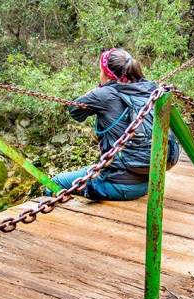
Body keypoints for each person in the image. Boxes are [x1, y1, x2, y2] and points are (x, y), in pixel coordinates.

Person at [51, 48, 180, 201]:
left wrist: (99, 89)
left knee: (55, 182)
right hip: (150, 181)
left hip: (116, 185)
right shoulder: (152, 89)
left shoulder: (103, 95)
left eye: (101, 71)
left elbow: (74, 111)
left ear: (107, 74)